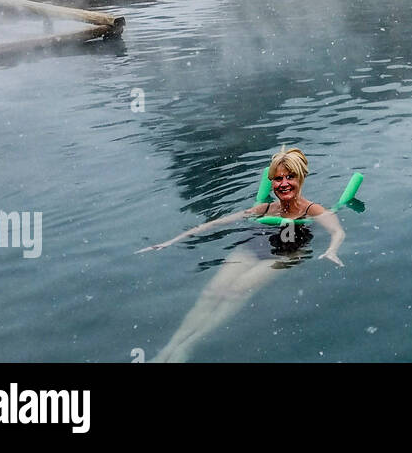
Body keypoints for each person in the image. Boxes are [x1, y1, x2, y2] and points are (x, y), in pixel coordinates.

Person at [137, 148, 345, 362]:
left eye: (290, 177)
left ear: (301, 177)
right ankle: (169, 348)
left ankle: (188, 346)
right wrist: (170, 241)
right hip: (255, 245)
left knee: (238, 290)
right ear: (272, 182)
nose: (284, 183)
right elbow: (217, 222)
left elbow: (337, 231)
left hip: (287, 254)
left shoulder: (312, 210)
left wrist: (332, 250)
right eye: (278, 178)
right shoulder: (265, 209)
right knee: (212, 291)